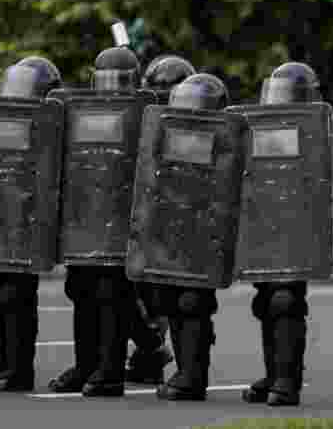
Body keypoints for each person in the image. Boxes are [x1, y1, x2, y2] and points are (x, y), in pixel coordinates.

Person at [49, 46, 171, 396]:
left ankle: (110, 369)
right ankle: (87, 364)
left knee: (110, 290)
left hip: (123, 215)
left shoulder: (146, 113)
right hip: (85, 213)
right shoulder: (79, 110)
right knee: (80, 286)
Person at [0, 56, 61, 392]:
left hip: (30, 219)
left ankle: (19, 367)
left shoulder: (53, 123)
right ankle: (0, 361)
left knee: (15, 292)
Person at [241, 62, 324, 407]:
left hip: (297, 226)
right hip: (264, 223)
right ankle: (275, 373)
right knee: (265, 301)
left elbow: (322, 187)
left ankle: (287, 380)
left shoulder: (316, 132)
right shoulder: (261, 128)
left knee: (285, 301)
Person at [153, 73, 228, 402]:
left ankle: (192, 378)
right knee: (174, 301)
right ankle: (184, 374)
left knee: (191, 302)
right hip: (174, 229)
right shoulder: (168, 136)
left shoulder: (226, 140)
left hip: (204, 231)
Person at [123, 54, 195, 383]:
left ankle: (155, 353)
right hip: (141, 214)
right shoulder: (141, 119)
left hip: (178, 220)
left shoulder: (198, 125)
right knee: (121, 289)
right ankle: (150, 346)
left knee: (166, 296)